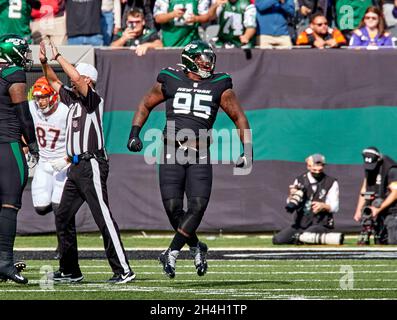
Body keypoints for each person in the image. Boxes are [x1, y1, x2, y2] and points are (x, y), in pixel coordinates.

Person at [126, 40, 252, 278]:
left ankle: (171, 252)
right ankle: (196, 247)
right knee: (173, 209)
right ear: (189, 60)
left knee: (197, 206)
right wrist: (134, 133)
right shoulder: (170, 78)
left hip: (200, 152)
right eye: (203, 59)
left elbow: (239, 117)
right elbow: (145, 104)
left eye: (209, 59)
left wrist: (247, 150)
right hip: (171, 150)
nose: (208, 63)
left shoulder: (220, 84)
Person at [39, 39, 135, 283]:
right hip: (76, 166)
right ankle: (71, 270)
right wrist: (44, 62)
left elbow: (79, 81)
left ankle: (123, 269)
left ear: (88, 80)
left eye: (78, 76)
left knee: (102, 216)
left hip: (91, 163)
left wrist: (58, 55)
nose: (73, 80)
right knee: (62, 215)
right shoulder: (73, 101)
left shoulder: (93, 100)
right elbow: (53, 82)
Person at [0, 34, 39, 284]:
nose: (26, 57)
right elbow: (24, 115)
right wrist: (33, 143)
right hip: (7, 146)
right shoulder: (13, 74)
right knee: (9, 204)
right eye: (24, 52)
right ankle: (4, 262)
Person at [28, 76, 70, 257]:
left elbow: (77, 138)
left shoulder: (65, 111)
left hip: (61, 163)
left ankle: (62, 247)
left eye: (44, 97)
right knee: (41, 207)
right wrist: (25, 143)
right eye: (38, 97)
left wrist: (68, 159)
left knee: (59, 208)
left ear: (53, 95)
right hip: (44, 163)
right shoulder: (32, 108)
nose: (40, 101)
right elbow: (20, 121)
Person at [273, 154, 344, 245]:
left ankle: (302, 238)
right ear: (308, 166)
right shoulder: (300, 180)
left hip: (321, 223)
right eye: (314, 170)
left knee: (307, 235)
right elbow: (291, 203)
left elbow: (335, 207)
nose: (317, 172)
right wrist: (291, 196)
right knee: (278, 240)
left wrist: (323, 206)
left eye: (320, 169)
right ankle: (301, 238)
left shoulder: (331, 182)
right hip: (301, 223)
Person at [353, 147, 397, 245]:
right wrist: (359, 210)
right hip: (377, 208)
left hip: (392, 211)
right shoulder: (369, 168)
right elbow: (365, 189)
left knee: (393, 241)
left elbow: (395, 193)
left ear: (379, 159)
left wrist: (378, 209)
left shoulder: (391, 169)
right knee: (379, 242)